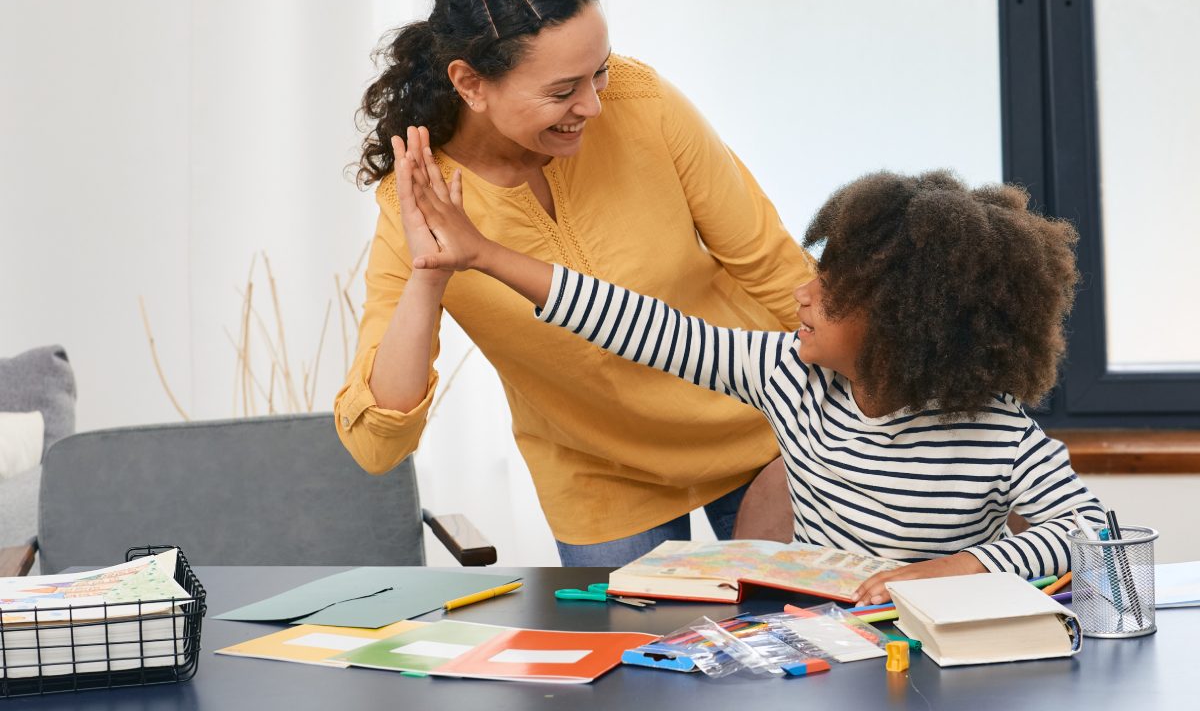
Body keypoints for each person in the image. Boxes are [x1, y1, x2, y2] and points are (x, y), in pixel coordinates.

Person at [402, 164, 1108, 603]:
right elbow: (641, 324)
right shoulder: (790, 376)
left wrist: (954, 569)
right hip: (828, 652)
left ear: (903, 324)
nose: (803, 294)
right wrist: (487, 255)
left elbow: (1090, 530)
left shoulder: (994, 430)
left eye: (832, 290)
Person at [334, 0, 815, 566]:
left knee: (803, 648)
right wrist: (428, 278)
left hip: (760, 433)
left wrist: (840, 430)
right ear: (470, 83)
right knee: (631, 664)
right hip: (600, 478)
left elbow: (776, 268)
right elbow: (378, 444)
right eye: (563, 90)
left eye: (600, 71)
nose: (592, 104)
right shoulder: (419, 200)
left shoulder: (641, 103)